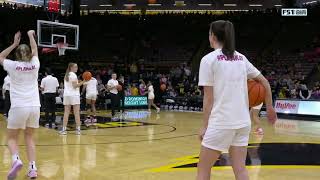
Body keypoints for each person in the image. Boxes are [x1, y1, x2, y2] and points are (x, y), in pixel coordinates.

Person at [197, 20, 277, 180]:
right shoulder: (241, 58)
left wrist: (205, 126)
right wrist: (269, 108)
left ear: (212, 36)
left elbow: (209, 98)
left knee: (203, 168)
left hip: (221, 122)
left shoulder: (208, 60)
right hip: (243, 123)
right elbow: (265, 82)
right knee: (240, 169)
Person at [0, 30, 40, 179]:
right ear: (29, 54)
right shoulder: (35, 64)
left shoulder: (12, 65)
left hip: (19, 107)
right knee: (29, 137)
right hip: (35, 107)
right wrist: (30, 35)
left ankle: (16, 159)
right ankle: (32, 168)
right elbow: (35, 50)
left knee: (11, 138)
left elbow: (1, 56)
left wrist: (14, 43)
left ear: (17, 54)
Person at [60, 63, 87, 135]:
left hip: (67, 95)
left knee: (66, 112)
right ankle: (78, 130)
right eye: (75, 67)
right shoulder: (73, 75)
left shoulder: (66, 75)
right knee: (76, 113)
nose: (77, 68)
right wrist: (83, 81)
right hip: (74, 95)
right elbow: (75, 86)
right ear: (71, 67)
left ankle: (64, 130)